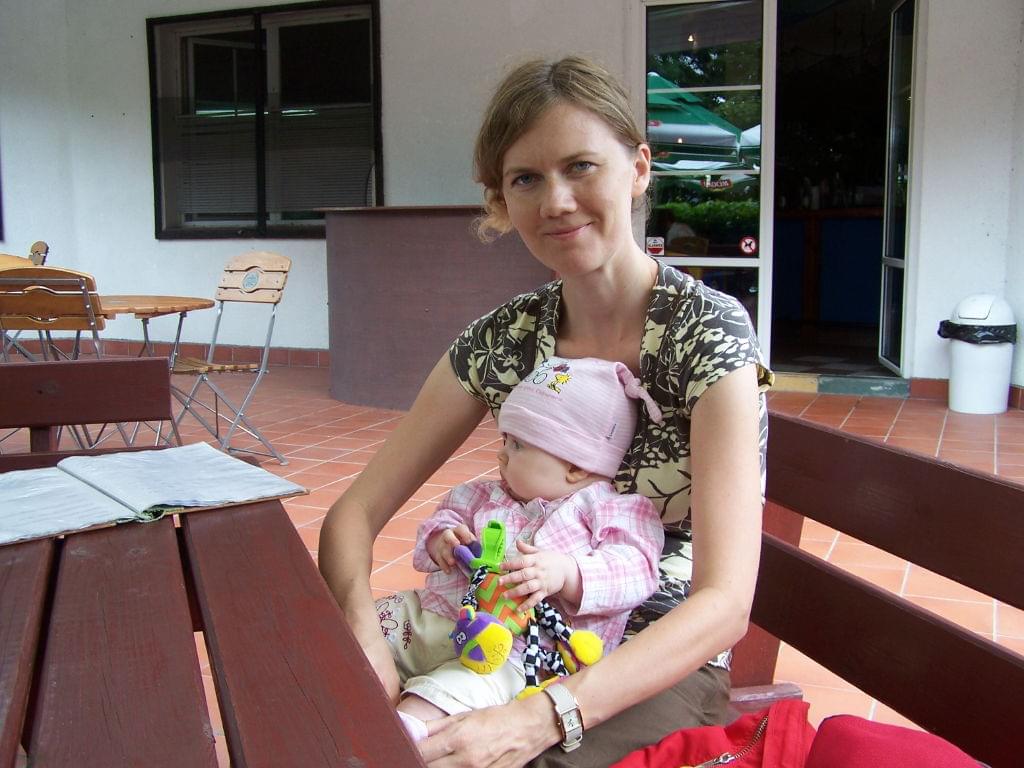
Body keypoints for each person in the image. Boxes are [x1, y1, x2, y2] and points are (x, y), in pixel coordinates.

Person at [319, 55, 771, 768]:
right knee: (316, 704)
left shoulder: (707, 334)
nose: (556, 201)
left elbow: (723, 603)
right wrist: (362, 637)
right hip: (500, 633)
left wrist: (543, 716)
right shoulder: (506, 338)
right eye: (525, 178)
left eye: (580, 166)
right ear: (501, 200)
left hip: (652, 658)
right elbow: (352, 514)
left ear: (639, 169)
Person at [378, 356, 666, 741]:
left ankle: (401, 732)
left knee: (450, 695)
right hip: (432, 616)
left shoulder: (614, 512)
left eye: (517, 445)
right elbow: (444, 518)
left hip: (506, 654)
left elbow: (636, 569)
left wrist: (567, 573)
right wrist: (440, 539)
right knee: (370, 625)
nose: (501, 454)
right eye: (505, 440)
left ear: (576, 466)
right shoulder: (484, 494)